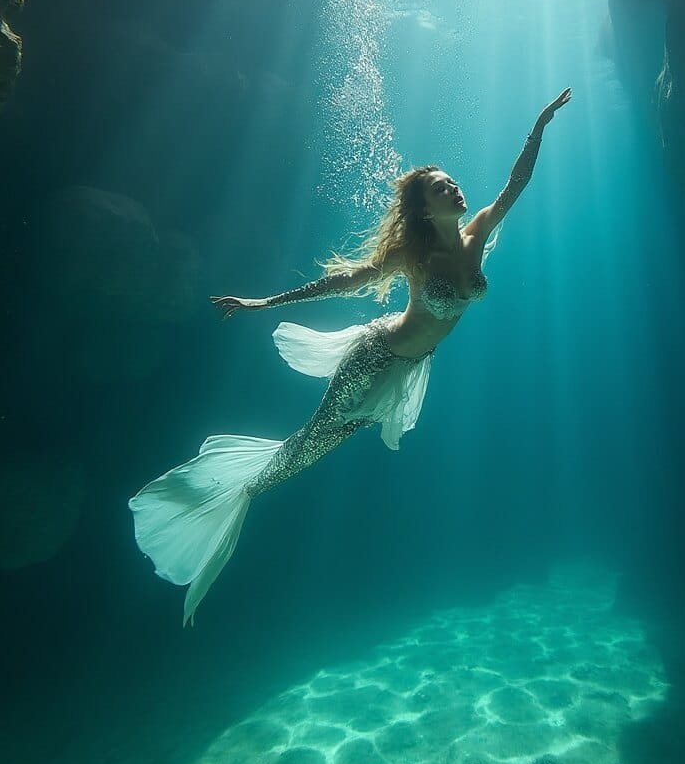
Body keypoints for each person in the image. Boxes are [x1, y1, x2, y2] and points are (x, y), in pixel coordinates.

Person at [129, 88, 572, 624]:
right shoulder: (414, 253)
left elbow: (516, 183)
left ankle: (233, 491)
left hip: (407, 369)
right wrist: (265, 301)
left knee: (322, 445)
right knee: (307, 446)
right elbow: (343, 282)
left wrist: (540, 122)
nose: (453, 186)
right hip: (374, 359)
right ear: (423, 208)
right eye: (439, 186)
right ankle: (213, 496)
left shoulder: (478, 232)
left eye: (451, 181)